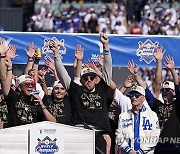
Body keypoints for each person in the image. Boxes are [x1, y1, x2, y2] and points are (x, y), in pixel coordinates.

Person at [50, 32, 112, 154]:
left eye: (91, 78)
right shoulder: (76, 90)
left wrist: (106, 47)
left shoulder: (102, 88)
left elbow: (108, 68)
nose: (89, 80)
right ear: (81, 80)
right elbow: (63, 76)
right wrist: (56, 54)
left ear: (95, 79)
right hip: (80, 131)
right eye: (85, 78)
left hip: (99, 132)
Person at [0, 38, 56, 127]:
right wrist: (3, 57)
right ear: (19, 87)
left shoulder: (38, 100)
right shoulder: (13, 98)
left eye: (32, 84)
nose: (30, 86)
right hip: (16, 137)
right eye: (26, 84)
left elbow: (53, 123)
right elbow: (3, 79)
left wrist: (42, 105)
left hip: (33, 138)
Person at [116, 85, 160, 154]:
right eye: (131, 95)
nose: (134, 97)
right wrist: (129, 150)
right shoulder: (123, 116)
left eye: (137, 95)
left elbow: (155, 136)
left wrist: (141, 151)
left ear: (143, 98)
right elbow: (119, 135)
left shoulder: (152, 115)